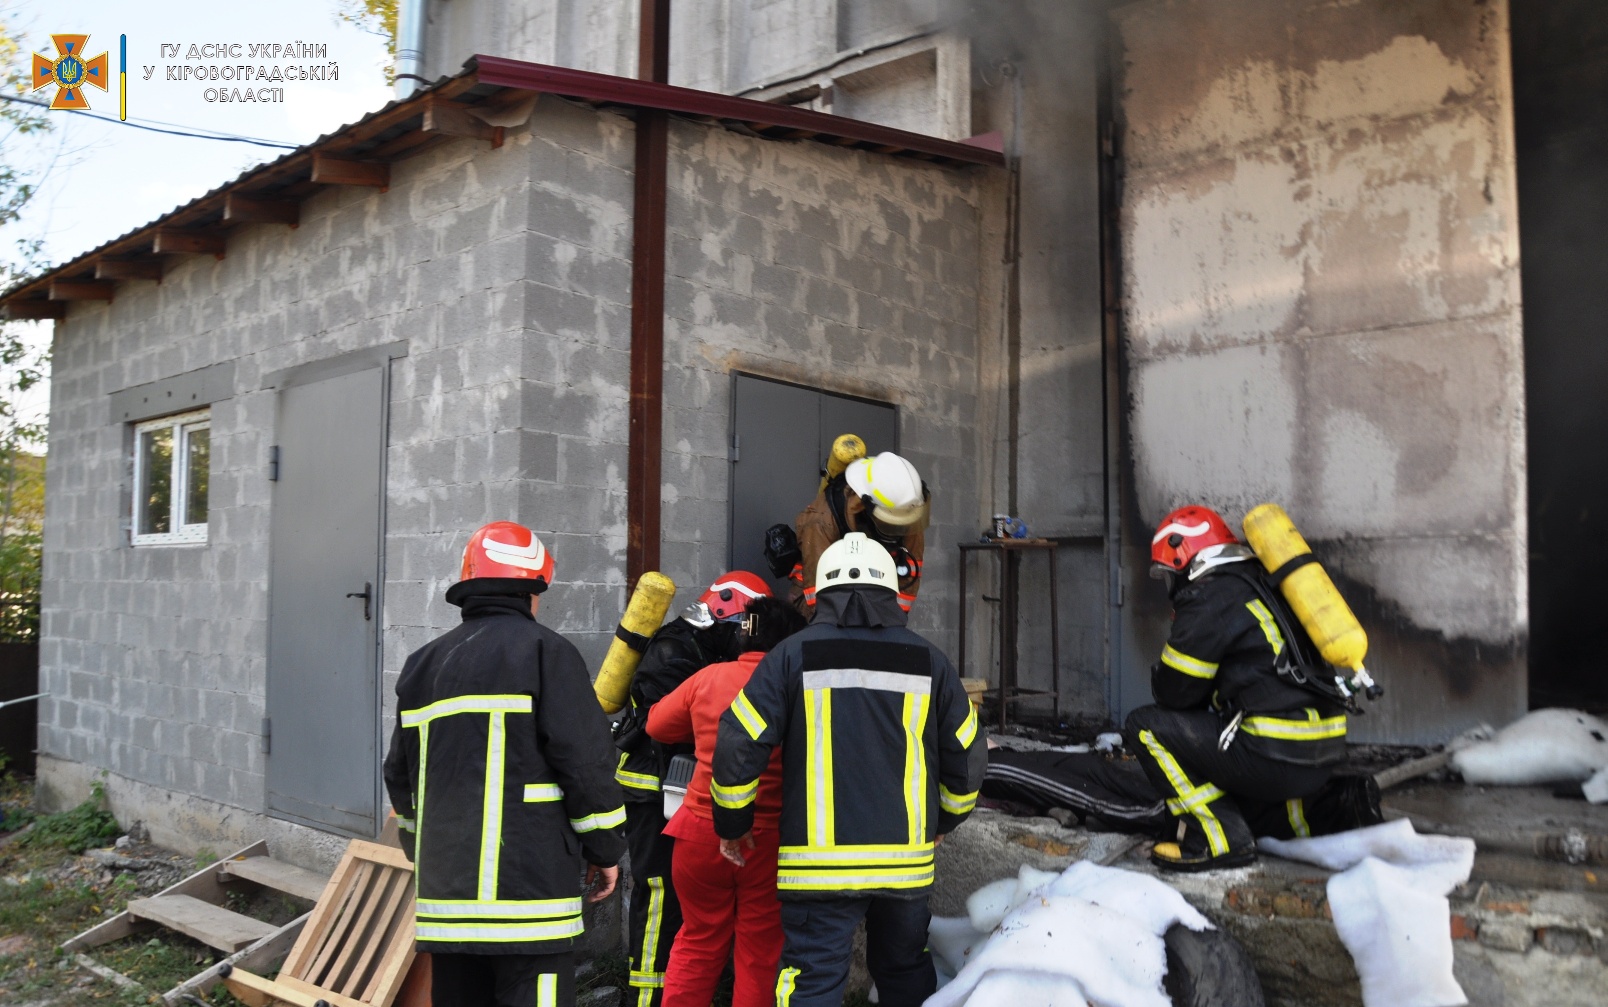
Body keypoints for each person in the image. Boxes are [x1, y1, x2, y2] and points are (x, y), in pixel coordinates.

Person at [713, 532, 987, 1007]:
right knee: (904, 972)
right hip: (905, 868)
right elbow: (968, 753)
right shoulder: (929, 662)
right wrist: (943, 821)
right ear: (893, 595)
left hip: (817, 872)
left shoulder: (790, 656)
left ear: (818, 595)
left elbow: (740, 742)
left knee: (813, 980)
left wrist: (733, 824)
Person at [383, 521, 626, 1007]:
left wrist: (423, 850)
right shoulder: (546, 653)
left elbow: (400, 778)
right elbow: (584, 763)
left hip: (447, 903)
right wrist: (604, 849)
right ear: (531, 589)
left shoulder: (421, 666)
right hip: (529, 901)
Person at [1126, 505, 1365, 872]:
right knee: (1236, 764)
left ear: (1186, 558)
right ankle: (1328, 809)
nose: (1171, 586)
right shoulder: (1266, 582)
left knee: (1145, 727)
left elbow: (1175, 695)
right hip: (1323, 756)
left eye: (1170, 574)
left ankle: (1218, 839)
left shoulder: (1210, 595)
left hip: (1274, 754)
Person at [612, 571, 772, 1007]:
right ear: (724, 613)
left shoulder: (701, 651)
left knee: (691, 920)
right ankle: (645, 997)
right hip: (652, 791)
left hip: (679, 798)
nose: (745, 640)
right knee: (661, 896)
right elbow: (664, 727)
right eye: (743, 627)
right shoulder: (674, 650)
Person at [644, 595, 808, 1007]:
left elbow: (658, 725)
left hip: (698, 832)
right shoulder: (796, 687)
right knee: (759, 951)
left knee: (697, 940)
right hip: (766, 842)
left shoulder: (709, 677)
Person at [790, 450, 928, 615]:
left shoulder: (906, 509)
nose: (899, 527)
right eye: (891, 519)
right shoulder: (822, 520)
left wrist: (894, 621)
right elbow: (816, 594)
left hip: (875, 597)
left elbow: (910, 577)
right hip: (815, 599)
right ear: (866, 507)